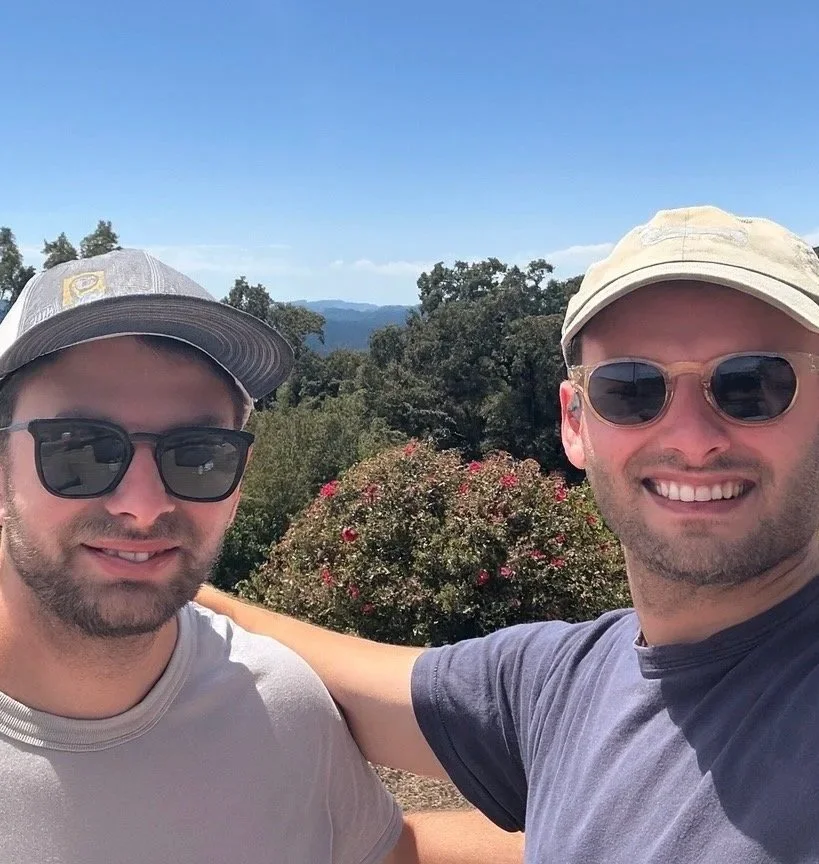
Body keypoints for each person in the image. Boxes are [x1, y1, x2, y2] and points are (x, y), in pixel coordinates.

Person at [199, 204, 819, 864]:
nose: (693, 438)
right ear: (574, 422)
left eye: (752, 384)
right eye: (631, 388)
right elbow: (311, 669)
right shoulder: (559, 683)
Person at [0, 249, 522, 864]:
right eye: (79, 451)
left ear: (240, 476)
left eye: (198, 455)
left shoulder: (281, 710)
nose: (141, 505)